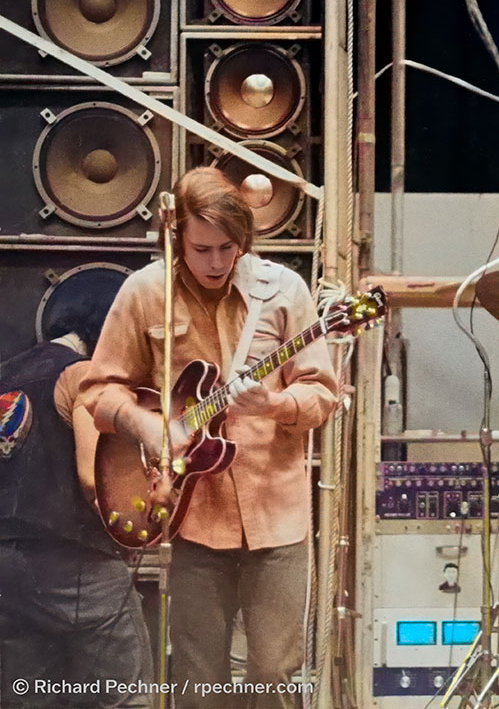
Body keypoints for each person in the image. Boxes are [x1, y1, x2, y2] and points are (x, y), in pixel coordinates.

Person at [80, 167, 338, 708]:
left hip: (277, 514)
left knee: (276, 674)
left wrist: (276, 403)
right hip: (193, 517)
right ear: (177, 240)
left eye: (229, 247)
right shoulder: (145, 291)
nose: (217, 262)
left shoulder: (283, 291)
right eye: (202, 249)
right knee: (198, 675)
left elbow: (322, 396)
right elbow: (98, 391)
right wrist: (146, 425)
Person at [1, 299, 153, 708]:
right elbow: (93, 479)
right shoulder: (83, 374)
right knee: (124, 696)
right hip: (74, 562)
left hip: (7, 567)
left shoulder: (7, 374)